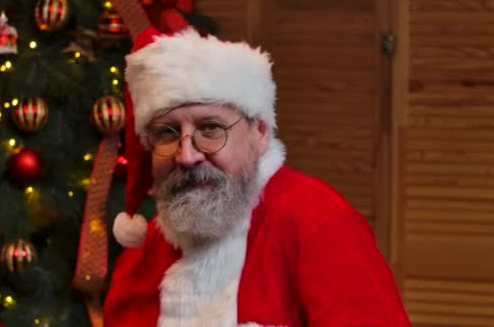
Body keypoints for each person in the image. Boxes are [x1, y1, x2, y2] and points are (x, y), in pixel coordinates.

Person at [103, 26, 411, 327]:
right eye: (166, 133)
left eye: (210, 129)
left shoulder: (319, 221)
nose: (186, 155)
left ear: (259, 133)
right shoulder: (147, 248)